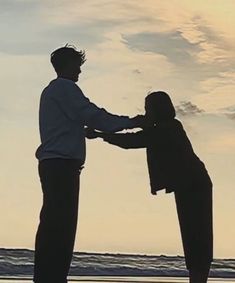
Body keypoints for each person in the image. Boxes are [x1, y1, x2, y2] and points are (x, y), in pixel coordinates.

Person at [34, 45, 146, 283]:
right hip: (61, 165)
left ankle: (47, 276)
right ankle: (52, 277)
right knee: (61, 226)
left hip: (55, 163)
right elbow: (93, 114)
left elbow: (78, 119)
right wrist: (131, 122)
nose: (80, 71)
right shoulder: (66, 88)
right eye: (77, 66)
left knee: (53, 222)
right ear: (66, 65)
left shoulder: (52, 91)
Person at [86, 91, 213, 283]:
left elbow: (132, 141)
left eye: (148, 109)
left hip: (194, 185)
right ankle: (197, 277)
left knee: (196, 234)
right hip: (192, 184)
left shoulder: (166, 129)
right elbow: (137, 139)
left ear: (158, 110)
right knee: (194, 234)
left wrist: (100, 134)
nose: (146, 113)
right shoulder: (166, 127)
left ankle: (198, 278)